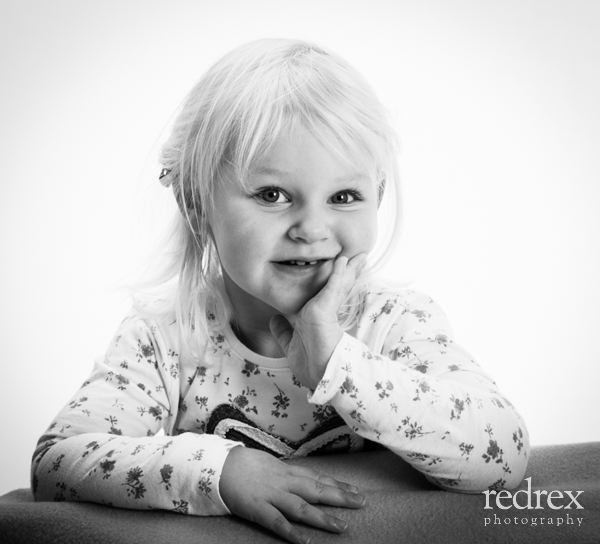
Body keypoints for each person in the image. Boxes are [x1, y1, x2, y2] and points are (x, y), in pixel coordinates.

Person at [31, 39, 529, 544]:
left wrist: (342, 367)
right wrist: (220, 471)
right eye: (273, 195)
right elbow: (57, 461)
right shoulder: (165, 336)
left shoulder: (394, 322)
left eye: (344, 196)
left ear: (376, 200)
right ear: (196, 203)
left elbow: (503, 456)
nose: (313, 228)